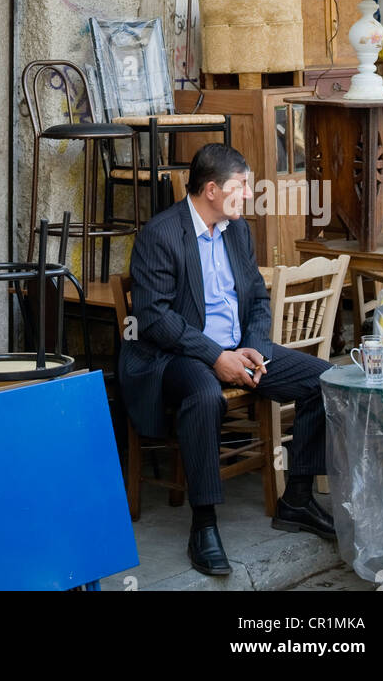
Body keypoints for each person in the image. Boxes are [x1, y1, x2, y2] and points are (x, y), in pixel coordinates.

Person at [119, 142, 335, 576]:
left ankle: (295, 500)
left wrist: (253, 345)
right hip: (175, 354)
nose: (249, 196)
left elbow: (257, 297)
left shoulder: (238, 230)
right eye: (241, 187)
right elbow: (155, 319)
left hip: (237, 348)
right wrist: (217, 357)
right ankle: (204, 526)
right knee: (205, 396)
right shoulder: (161, 234)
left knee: (325, 381)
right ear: (213, 190)